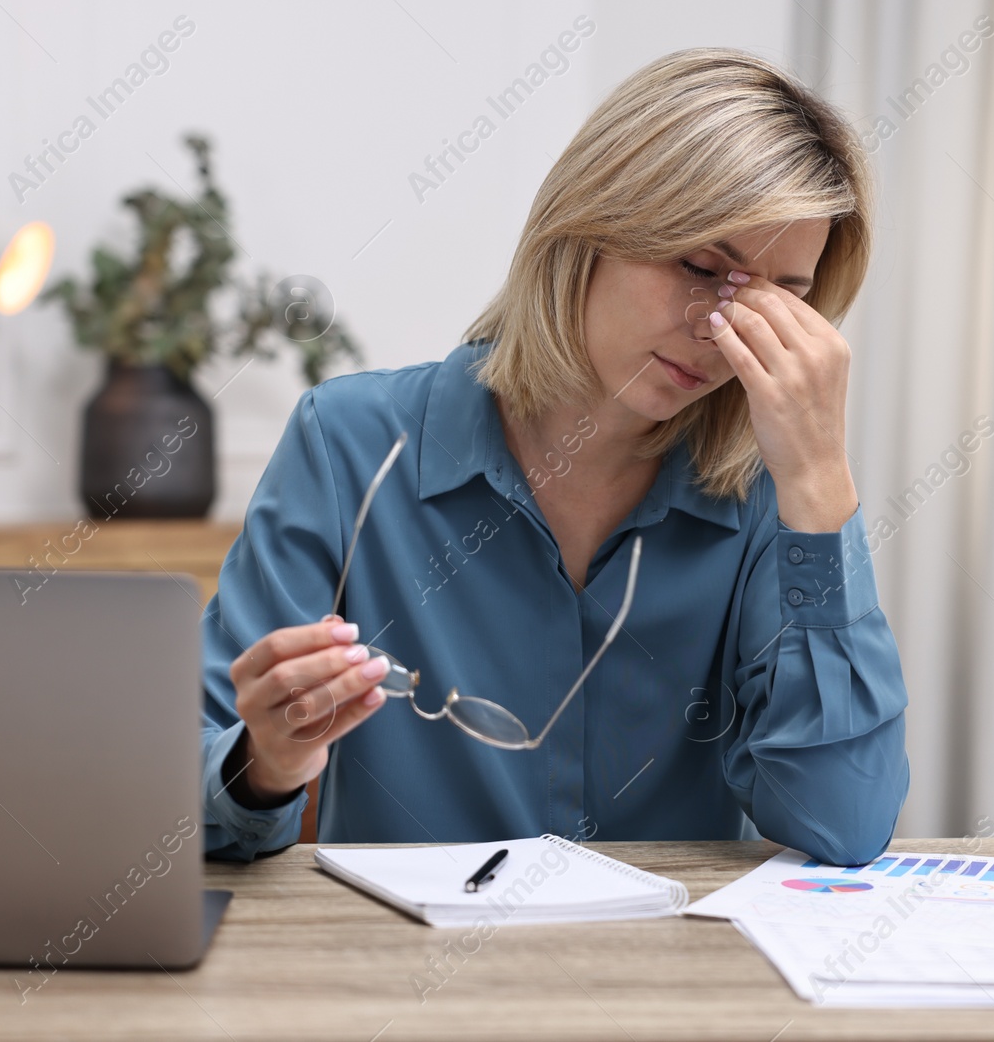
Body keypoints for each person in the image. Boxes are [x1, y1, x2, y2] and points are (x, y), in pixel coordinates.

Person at [198, 47, 908, 866]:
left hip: (671, 983)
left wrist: (821, 483)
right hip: (403, 981)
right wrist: (269, 766)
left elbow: (843, 822)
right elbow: (190, 793)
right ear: (588, 229)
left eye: (780, 296)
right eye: (704, 267)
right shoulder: (351, 446)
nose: (723, 327)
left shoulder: (766, 498)